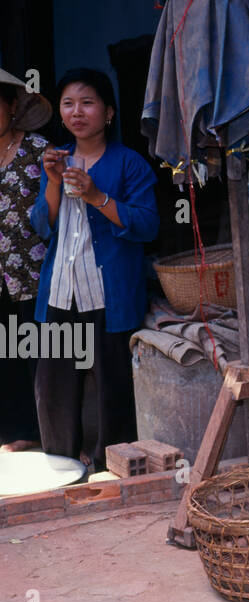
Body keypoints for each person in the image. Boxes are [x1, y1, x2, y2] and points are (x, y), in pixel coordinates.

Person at [30, 67, 159, 470]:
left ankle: (112, 468)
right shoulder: (57, 159)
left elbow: (147, 225)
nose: (76, 112)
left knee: (112, 387)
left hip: (109, 293)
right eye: (68, 104)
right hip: (61, 289)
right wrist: (53, 182)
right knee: (54, 387)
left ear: (108, 113)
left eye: (87, 103)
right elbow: (42, 225)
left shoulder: (129, 163)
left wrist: (97, 195)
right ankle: (62, 465)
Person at [0, 68, 51, 452]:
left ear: (13, 106)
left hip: (34, 269)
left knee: (40, 352)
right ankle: (17, 431)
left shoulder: (38, 149)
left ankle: (50, 433)